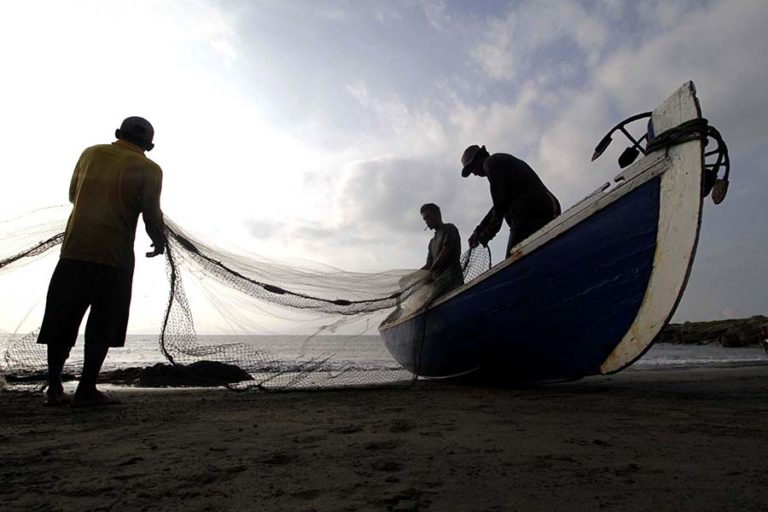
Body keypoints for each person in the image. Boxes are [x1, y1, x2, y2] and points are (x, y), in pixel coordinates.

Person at [37, 116, 166, 407]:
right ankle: (86, 389)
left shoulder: (91, 153)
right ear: (149, 145)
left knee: (61, 321)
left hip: (74, 252)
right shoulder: (150, 169)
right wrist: (159, 241)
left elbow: (73, 195)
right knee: (103, 326)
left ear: (118, 133)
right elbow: (151, 213)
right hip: (116, 260)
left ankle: (55, 387)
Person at [460, 145, 561, 257]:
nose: (474, 174)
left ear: (479, 158)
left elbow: (500, 206)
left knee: (513, 259)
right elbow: (499, 203)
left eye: (472, 168)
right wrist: (479, 230)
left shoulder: (490, 163)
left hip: (531, 212)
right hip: (548, 206)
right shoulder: (500, 163)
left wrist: (488, 232)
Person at [419, 203, 464, 295]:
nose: (427, 221)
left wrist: (430, 272)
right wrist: (415, 276)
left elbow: (445, 253)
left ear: (437, 215)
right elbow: (428, 264)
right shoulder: (432, 242)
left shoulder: (449, 229)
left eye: (428, 217)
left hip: (454, 284)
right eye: (425, 219)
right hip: (439, 288)